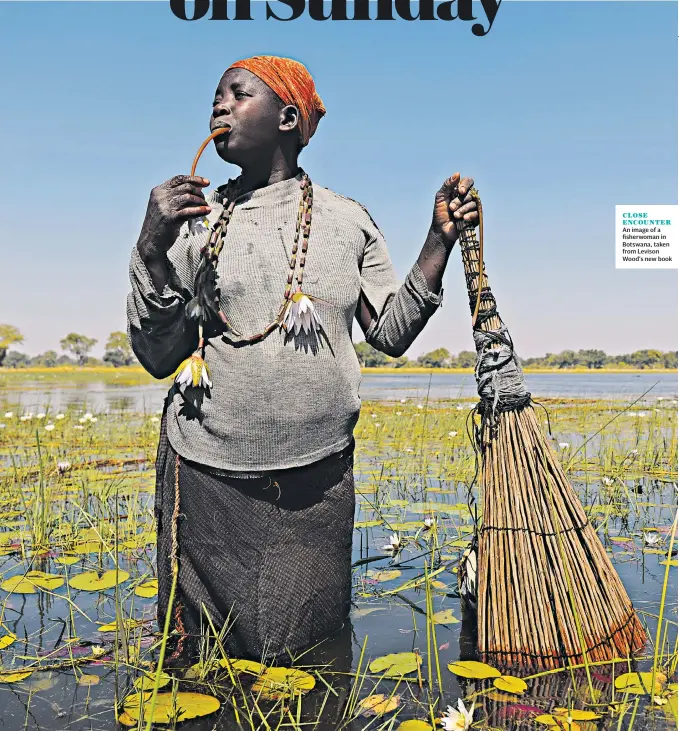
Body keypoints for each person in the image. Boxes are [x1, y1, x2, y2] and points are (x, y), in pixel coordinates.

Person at [127, 55, 479, 664]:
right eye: (216, 97)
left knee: (311, 658)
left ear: (288, 118)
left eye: (238, 95)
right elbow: (160, 356)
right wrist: (151, 248)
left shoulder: (348, 221)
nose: (219, 107)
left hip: (316, 483)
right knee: (198, 661)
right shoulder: (194, 226)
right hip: (206, 477)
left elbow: (389, 334)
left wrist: (437, 242)